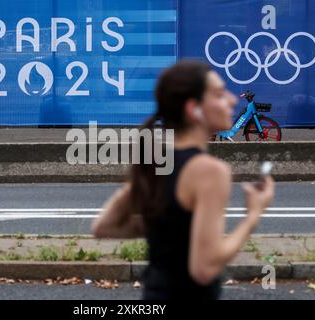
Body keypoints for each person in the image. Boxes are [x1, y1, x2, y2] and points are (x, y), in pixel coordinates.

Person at [91, 60, 275, 300]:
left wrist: (166, 227)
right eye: (219, 94)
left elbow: (103, 227)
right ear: (193, 109)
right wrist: (252, 216)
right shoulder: (210, 171)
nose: (231, 100)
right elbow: (204, 269)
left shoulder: (158, 162)